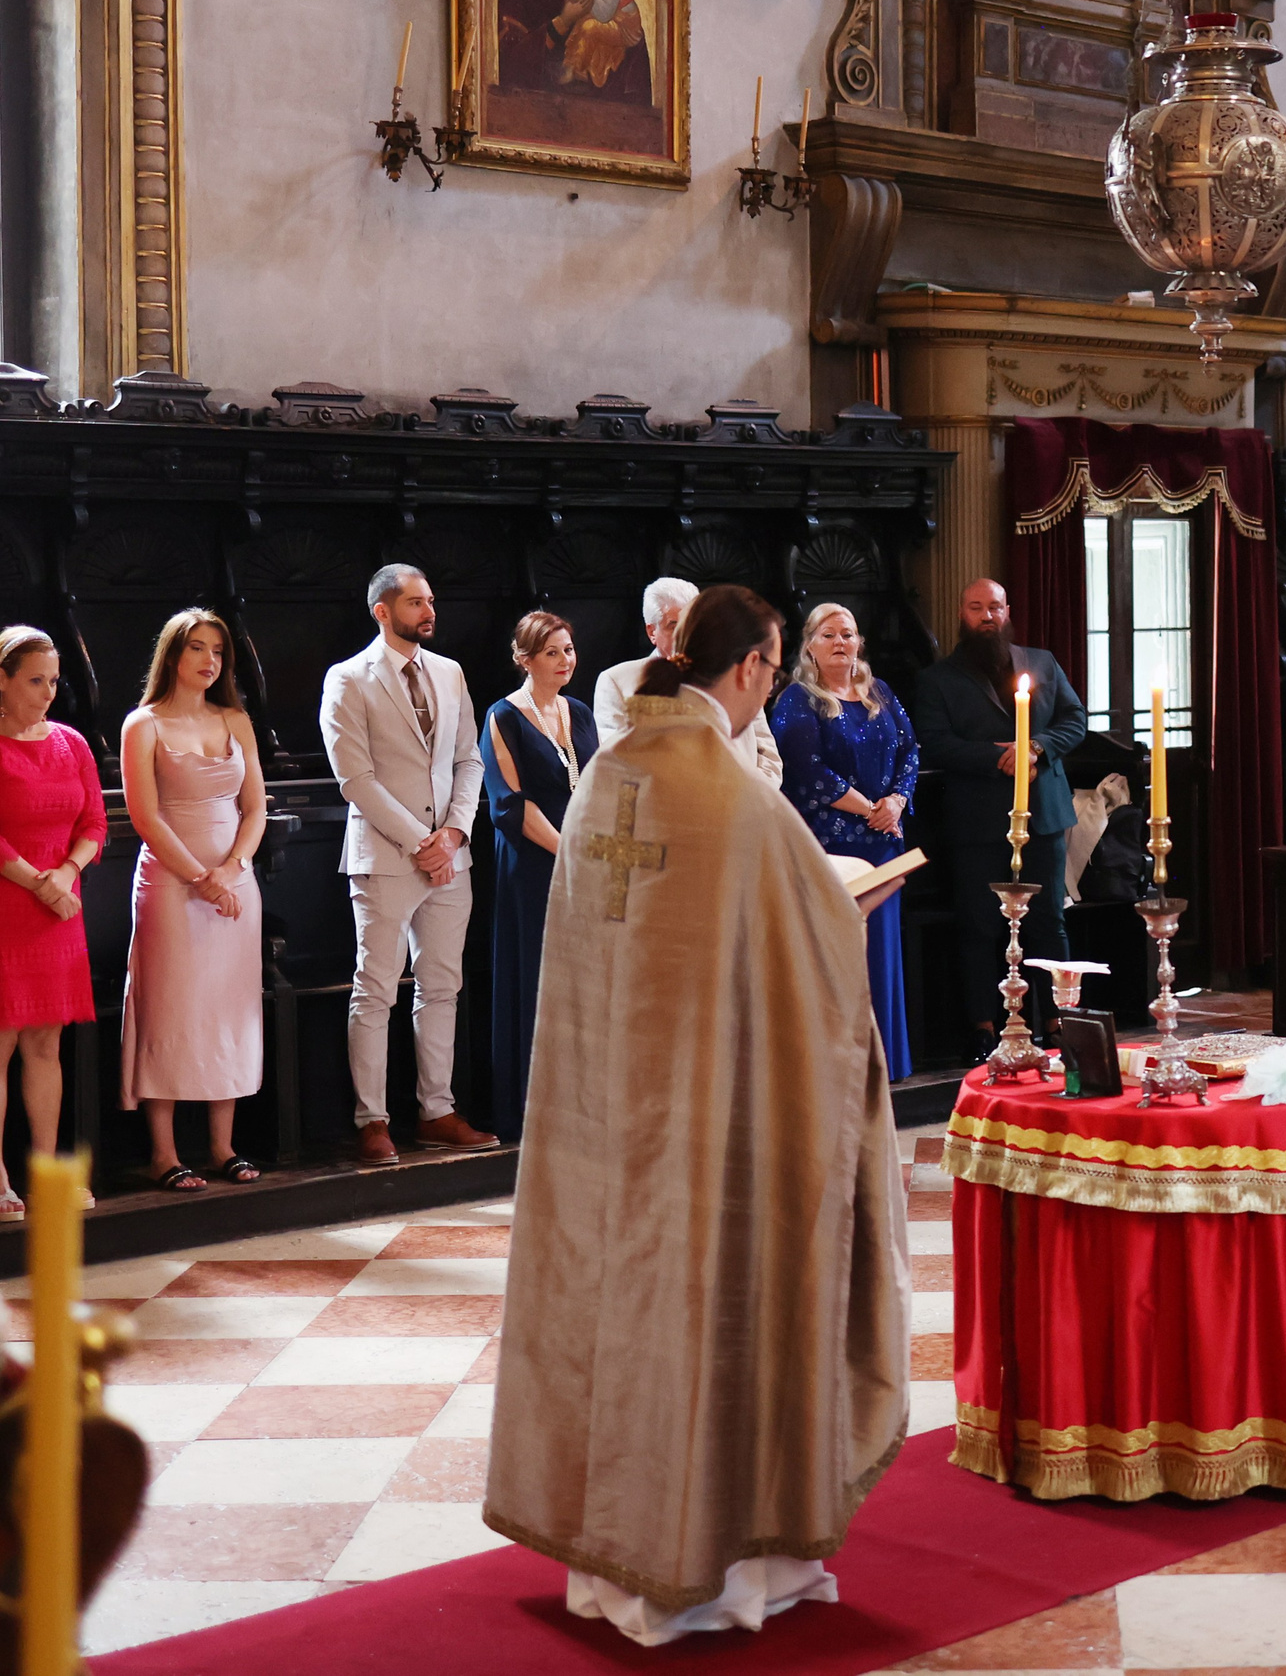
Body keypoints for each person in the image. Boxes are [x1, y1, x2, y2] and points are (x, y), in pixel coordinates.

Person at [484, 584, 909, 1646]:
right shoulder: (734, 799)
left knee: (615, 1307)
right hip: (710, 1114)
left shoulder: (606, 776)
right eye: (773, 663)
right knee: (708, 1309)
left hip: (607, 1107)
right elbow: (812, 941)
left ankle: (604, 1560)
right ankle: (720, 1569)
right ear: (755, 666)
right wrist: (852, 907)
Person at [319, 566, 502, 1165]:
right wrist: (423, 841)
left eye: (430, 600)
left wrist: (454, 833)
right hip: (387, 856)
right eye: (415, 602)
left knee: (442, 986)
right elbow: (355, 779)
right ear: (383, 611)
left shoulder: (449, 672)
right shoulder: (349, 677)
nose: (428, 611)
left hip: (451, 856)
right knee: (375, 989)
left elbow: (469, 760)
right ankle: (372, 1120)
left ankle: (437, 1111)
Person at [909, 578, 1087, 1055]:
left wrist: (1036, 747)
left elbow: (1075, 720)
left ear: (1008, 611)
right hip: (977, 819)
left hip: (1043, 814)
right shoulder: (937, 678)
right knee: (979, 926)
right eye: (976, 608)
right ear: (961, 614)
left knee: (1049, 921)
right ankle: (984, 1027)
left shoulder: (1042, 662)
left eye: (994, 607)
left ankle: (1059, 1020)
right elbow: (934, 742)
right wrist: (998, 757)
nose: (986, 616)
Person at [121, 611, 267, 1190]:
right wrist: (202, 879)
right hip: (170, 885)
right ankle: (163, 1152)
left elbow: (254, 809)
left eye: (218, 651)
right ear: (173, 655)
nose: (210, 661)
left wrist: (231, 871)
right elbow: (145, 817)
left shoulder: (236, 719)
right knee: (171, 1008)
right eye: (198, 648)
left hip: (235, 884)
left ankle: (222, 1146)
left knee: (227, 1009)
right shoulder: (143, 724)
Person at [774, 602, 920, 1079]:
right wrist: (870, 808)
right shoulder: (798, 698)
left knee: (882, 952)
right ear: (810, 646)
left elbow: (910, 750)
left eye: (848, 634)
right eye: (829, 634)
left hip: (885, 843)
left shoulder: (879, 691)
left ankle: (887, 1061)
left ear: (860, 643)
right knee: (842, 956)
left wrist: (896, 801)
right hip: (832, 847)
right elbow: (805, 770)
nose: (840, 642)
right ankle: (846, 1068)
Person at [480, 611, 598, 1142]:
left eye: (568, 650)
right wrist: (567, 850)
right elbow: (510, 804)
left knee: (584, 984)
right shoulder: (503, 716)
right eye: (552, 652)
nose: (565, 660)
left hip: (584, 861)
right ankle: (535, 1110)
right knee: (537, 977)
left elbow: (598, 785)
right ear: (525, 659)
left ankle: (585, 1103)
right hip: (532, 865)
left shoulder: (580, 711)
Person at [0, 627, 104, 1215]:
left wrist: (65, 873)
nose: (48, 693)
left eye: (54, 681)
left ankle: (45, 1173)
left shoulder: (71, 742)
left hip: (60, 909)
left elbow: (94, 822)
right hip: (9, 905)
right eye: (35, 680)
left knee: (45, 1043)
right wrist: (40, 883)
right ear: (3, 680)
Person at [593, 576, 782, 785]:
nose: (685, 634)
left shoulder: (732, 674)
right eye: (673, 625)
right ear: (652, 632)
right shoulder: (617, 681)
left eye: (693, 624)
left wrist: (749, 796)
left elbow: (768, 756)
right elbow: (617, 762)